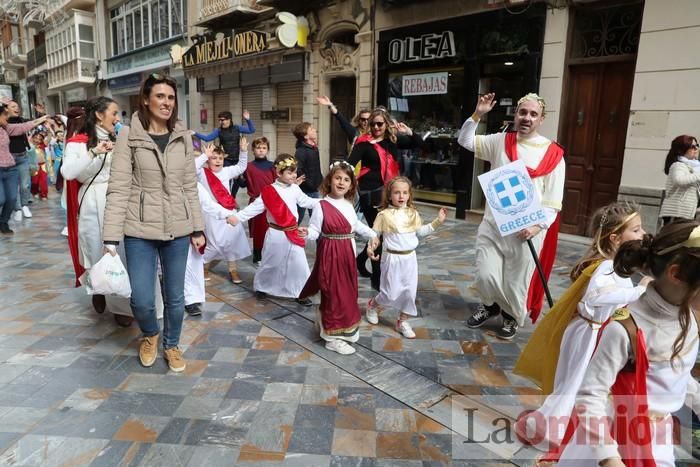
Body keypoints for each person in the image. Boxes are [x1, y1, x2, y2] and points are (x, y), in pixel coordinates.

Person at [549, 221, 700, 467]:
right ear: (675, 274)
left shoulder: (689, 319)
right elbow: (590, 396)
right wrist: (610, 458)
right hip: (613, 440)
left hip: (657, 441)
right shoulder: (625, 329)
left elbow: (679, 377)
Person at [513, 203, 649, 450]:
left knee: (573, 383)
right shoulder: (607, 266)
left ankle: (559, 426)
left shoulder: (613, 264)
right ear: (616, 238)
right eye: (637, 230)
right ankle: (553, 430)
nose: (643, 234)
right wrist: (640, 291)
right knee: (575, 383)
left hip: (589, 331)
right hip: (589, 333)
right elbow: (595, 297)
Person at [103, 74, 205, 373]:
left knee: (176, 297)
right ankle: (150, 335)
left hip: (179, 227)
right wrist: (110, 238)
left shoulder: (183, 136)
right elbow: (119, 187)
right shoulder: (128, 136)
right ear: (146, 100)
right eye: (160, 96)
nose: (166, 103)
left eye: (171, 97)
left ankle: (172, 345)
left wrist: (198, 228)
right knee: (142, 298)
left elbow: (189, 185)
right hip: (139, 229)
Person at [458, 92, 565, 339]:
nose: (526, 118)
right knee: (486, 273)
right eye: (522, 112)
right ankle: (490, 305)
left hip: (527, 228)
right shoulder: (500, 141)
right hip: (493, 224)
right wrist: (478, 114)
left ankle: (512, 317)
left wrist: (538, 227)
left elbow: (553, 199)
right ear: (515, 115)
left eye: (533, 114)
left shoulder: (554, 154)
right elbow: (465, 141)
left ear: (541, 119)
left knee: (517, 280)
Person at [62, 99, 159, 328]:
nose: (118, 117)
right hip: (93, 200)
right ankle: (98, 286)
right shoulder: (78, 143)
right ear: (99, 115)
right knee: (96, 249)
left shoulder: (119, 139)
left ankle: (122, 305)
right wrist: (94, 151)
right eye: (114, 112)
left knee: (123, 253)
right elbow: (68, 172)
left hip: (121, 199)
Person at [299, 161, 377, 355]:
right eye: (337, 178)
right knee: (334, 292)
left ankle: (329, 325)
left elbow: (356, 226)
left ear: (351, 185)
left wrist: (373, 234)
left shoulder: (348, 205)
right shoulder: (321, 205)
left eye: (346, 180)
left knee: (347, 292)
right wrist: (306, 232)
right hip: (330, 253)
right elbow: (316, 231)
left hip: (347, 254)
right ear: (330, 180)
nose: (341, 182)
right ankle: (332, 338)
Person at [227, 154, 319, 305]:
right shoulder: (269, 191)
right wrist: (237, 218)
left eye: (295, 172)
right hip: (276, 234)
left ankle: (301, 292)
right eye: (289, 172)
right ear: (278, 173)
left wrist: (325, 203)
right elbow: (254, 208)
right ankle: (262, 287)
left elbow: (307, 202)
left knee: (299, 263)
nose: (294, 175)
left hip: (293, 232)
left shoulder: (295, 189)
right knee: (271, 263)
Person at [347, 107, 423, 289]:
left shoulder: (392, 141)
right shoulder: (363, 144)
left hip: (389, 192)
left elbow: (418, 144)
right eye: (372, 124)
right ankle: (376, 278)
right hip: (370, 194)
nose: (375, 127)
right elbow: (349, 165)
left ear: (386, 123)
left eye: (380, 123)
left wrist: (409, 132)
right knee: (377, 233)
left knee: (384, 232)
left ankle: (360, 260)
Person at [367, 176, 446, 339]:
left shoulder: (413, 214)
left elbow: (421, 232)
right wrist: (371, 247)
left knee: (409, 292)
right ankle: (372, 305)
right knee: (389, 293)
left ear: (409, 195)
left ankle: (402, 321)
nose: (401, 196)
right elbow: (375, 234)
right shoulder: (384, 215)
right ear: (389, 195)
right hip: (391, 259)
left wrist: (438, 221)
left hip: (410, 259)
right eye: (397, 193)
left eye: (405, 192)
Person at [194, 141, 250, 284]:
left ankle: (233, 270)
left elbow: (241, 167)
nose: (217, 161)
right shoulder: (202, 173)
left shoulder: (227, 171)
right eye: (214, 158)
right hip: (211, 213)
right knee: (214, 242)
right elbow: (192, 168)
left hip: (229, 211)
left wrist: (243, 152)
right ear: (208, 160)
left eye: (220, 158)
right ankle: (204, 266)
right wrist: (204, 156)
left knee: (232, 241)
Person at [0, 105, 50, 234]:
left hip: (10, 168)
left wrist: (42, 118)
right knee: (1, 199)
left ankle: (4, 222)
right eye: (5, 115)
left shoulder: (7, 129)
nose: (7, 118)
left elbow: (24, 127)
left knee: (11, 198)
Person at [194, 110, 255, 196]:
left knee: (238, 181)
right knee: (227, 180)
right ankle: (227, 196)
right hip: (226, 159)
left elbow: (251, 130)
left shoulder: (237, 128)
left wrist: (248, 120)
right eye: (219, 120)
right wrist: (195, 133)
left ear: (229, 119)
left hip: (237, 158)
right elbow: (207, 138)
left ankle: (233, 197)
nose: (221, 122)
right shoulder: (218, 130)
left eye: (222, 120)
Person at [244, 136, 277, 266]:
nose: (261, 150)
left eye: (264, 148)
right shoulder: (248, 167)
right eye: (258, 148)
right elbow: (242, 184)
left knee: (271, 229)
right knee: (258, 231)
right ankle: (257, 255)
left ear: (267, 150)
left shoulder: (273, 166)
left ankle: (270, 253)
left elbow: (277, 183)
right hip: (255, 201)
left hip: (271, 202)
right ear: (253, 150)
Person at [658, 135, 700, 226]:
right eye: (692, 146)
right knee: (671, 238)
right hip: (676, 211)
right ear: (682, 149)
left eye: (697, 145)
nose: (696, 149)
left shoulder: (694, 167)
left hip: (686, 212)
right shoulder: (678, 165)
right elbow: (679, 181)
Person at [7, 101, 34, 222]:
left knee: (25, 184)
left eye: (17, 106)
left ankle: (24, 206)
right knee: (14, 186)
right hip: (9, 158)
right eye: (13, 106)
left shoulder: (22, 120)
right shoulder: (3, 123)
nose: (16, 108)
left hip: (23, 156)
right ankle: (17, 209)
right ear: (6, 109)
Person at [293, 122, 322, 222]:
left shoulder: (314, 148)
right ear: (306, 136)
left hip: (314, 189)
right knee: (298, 217)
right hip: (304, 190)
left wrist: (319, 180)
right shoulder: (301, 151)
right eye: (311, 129)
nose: (314, 130)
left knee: (316, 218)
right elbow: (298, 170)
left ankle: (318, 238)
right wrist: (309, 183)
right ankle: (291, 236)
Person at [29, 131, 48, 200]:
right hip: (34, 166)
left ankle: (44, 194)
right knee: (34, 181)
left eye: (40, 139)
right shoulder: (30, 146)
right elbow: (28, 140)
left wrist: (49, 130)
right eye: (36, 138)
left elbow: (48, 139)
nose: (37, 140)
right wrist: (31, 133)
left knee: (44, 180)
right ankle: (34, 192)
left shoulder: (43, 145)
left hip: (43, 165)